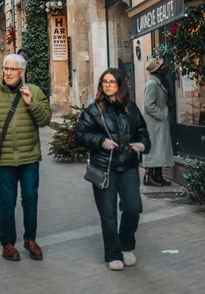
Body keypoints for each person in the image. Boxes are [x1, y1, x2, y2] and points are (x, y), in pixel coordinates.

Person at [0, 53, 52, 261]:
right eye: (5, 69)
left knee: (30, 199)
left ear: (22, 72)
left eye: (12, 69)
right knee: (7, 202)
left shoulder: (34, 91)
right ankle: (7, 243)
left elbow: (45, 120)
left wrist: (31, 103)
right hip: (4, 160)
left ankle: (30, 239)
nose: (8, 73)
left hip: (29, 158)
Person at [74, 68, 151, 271]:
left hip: (128, 166)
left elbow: (144, 135)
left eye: (112, 82)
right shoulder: (94, 110)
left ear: (120, 85)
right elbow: (79, 134)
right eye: (104, 82)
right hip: (104, 168)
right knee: (108, 214)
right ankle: (113, 253)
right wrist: (101, 141)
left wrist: (141, 146)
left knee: (133, 208)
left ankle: (127, 246)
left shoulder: (131, 108)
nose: (107, 85)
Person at [141, 57, 173, 187]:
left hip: (159, 123)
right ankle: (149, 177)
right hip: (154, 123)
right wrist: (162, 115)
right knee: (154, 149)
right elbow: (148, 105)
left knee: (160, 150)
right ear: (157, 71)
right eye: (162, 67)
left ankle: (158, 176)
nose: (165, 69)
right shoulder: (152, 84)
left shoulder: (159, 82)